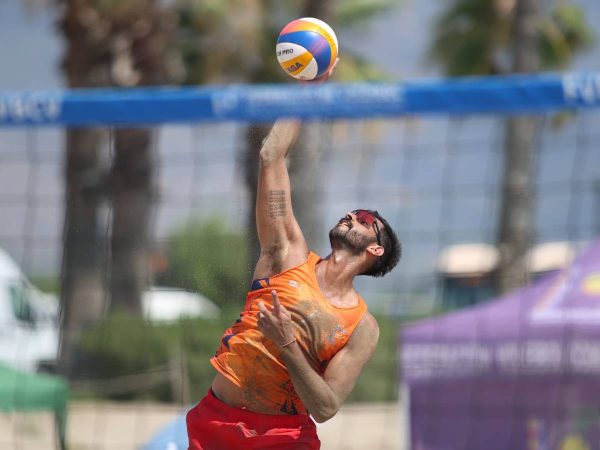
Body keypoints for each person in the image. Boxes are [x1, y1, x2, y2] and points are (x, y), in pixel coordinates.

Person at [186, 63, 401, 450]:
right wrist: (308, 86)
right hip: (216, 424)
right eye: (352, 212)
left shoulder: (362, 326)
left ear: (376, 248)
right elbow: (271, 156)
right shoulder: (287, 255)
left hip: (283, 439)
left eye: (366, 219)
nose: (352, 215)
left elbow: (327, 406)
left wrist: (288, 343)